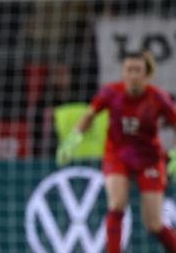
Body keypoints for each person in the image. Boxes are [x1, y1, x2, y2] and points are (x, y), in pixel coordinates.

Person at [57, 51, 176, 253]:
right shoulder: (111, 93)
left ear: (147, 75)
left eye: (138, 70)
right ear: (123, 72)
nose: (133, 75)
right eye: (129, 69)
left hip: (148, 159)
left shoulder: (158, 98)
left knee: (154, 224)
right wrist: (72, 140)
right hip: (118, 154)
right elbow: (89, 114)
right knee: (117, 204)